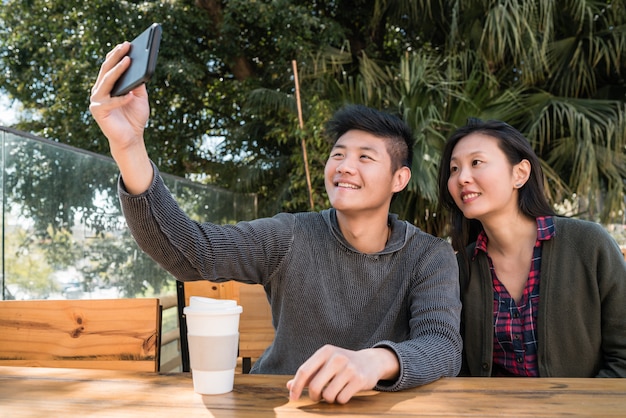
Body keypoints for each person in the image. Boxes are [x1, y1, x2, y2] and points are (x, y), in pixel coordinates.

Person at [89, 42, 462, 404]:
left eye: (366, 157)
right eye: (338, 155)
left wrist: (373, 361)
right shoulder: (291, 235)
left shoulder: (429, 256)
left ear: (400, 179)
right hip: (278, 402)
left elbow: (443, 346)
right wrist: (128, 146)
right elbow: (193, 252)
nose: (345, 166)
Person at [437, 117, 626, 378]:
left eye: (476, 162)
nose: (462, 178)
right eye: (454, 169)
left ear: (520, 174)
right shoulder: (460, 267)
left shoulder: (588, 244)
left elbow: (623, 357)